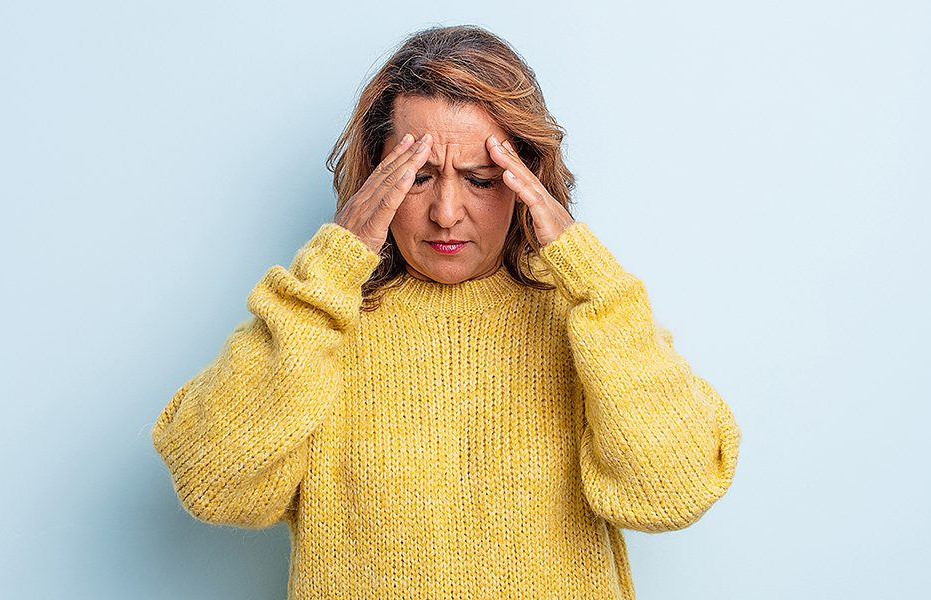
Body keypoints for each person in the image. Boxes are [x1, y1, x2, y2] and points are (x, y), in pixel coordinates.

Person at [153, 25, 738, 599]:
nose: (446, 212)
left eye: (481, 179)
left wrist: (593, 279)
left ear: (527, 180)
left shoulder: (587, 316)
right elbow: (216, 483)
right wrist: (328, 274)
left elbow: (673, 491)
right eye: (418, 177)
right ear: (373, 176)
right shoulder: (320, 320)